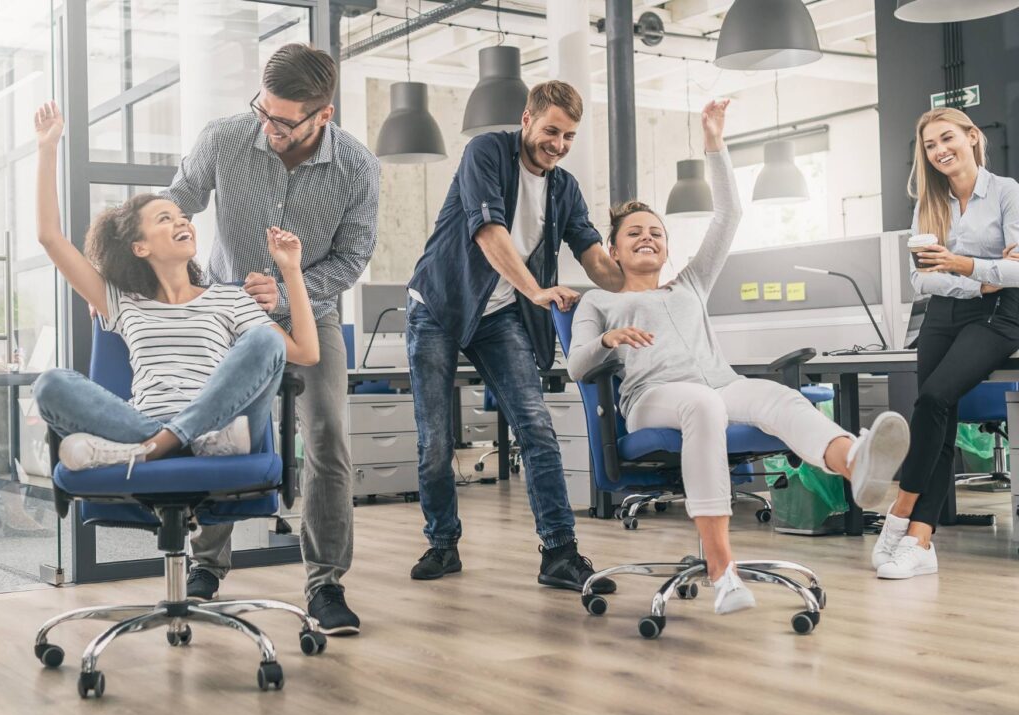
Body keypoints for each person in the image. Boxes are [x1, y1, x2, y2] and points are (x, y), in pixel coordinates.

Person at [566, 100, 911, 613]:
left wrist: (715, 144)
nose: (647, 238)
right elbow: (577, 366)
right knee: (700, 407)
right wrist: (608, 342)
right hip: (651, 398)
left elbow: (729, 214)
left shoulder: (690, 285)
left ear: (666, 249)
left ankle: (856, 462)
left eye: (656, 233)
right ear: (613, 250)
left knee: (779, 396)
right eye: (634, 233)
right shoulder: (599, 301)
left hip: (719, 385)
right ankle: (722, 569)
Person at [164, 44, 379, 634]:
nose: (269, 126)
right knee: (220, 432)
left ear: (322, 116)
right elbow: (177, 201)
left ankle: (326, 583)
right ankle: (206, 566)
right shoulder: (226, 137)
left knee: (328, 437)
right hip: (226, 314)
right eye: (264, 110)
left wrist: (287, 292)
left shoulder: (358, 167)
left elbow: (352, 257)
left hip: (314, 317)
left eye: (284, 121)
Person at [405, 80, 625, 592]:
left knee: (536, 428)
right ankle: (442, 544)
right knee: (436, 441)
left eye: (569, 136)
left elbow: (594, 257)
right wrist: (536, 290)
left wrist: (641, 278)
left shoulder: (564, 187)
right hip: (438, 306)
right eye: (551, 131)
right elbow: (489, 233)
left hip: (499, 316)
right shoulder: (486, 152)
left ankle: (559, 553)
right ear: (526, 120)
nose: (559, 144)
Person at [30, 100, 318, 487]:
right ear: (140, 247)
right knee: (50, 383)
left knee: (266, 341)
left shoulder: (228, 299)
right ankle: (170, 442)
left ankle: (150, 449)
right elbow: (50, 238)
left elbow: (306, 353)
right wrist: (47, 147)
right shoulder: (123, 302)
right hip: (151, 424)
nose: (182, 222)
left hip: (222, 420)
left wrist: (291, 270)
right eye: (165, 219)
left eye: (182, 217)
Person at [872, 107, 1019, 579]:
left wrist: (959, 266)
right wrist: (981, 275)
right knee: (935, 413)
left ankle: (902, 514)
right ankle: (923, 541)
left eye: (947, 138)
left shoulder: (1007, 193)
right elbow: (921, 281)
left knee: (935, 397)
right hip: (944, 316)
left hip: (998, 318)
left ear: (973, 137)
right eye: (930, 145)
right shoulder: (928, 202)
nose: (939, 151)